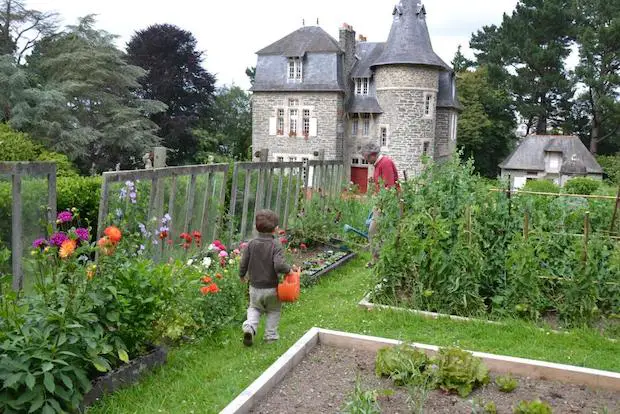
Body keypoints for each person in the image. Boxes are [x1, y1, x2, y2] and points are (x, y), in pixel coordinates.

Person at [239, 209, 296, 346]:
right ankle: (270, 337)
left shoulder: (251, 244)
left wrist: (242, 275)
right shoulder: (275, 244)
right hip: (272, 288)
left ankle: (250, 328)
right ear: (276, 229)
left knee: (254, 308)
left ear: (256, 227)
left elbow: (243, 262)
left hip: (254, 287)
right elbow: (279, 265)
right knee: (273, 310)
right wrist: (289, 271)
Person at [361, 142, 400, 268]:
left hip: (389, 202)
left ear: (372, 155)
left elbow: (390, 187)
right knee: (377, 232)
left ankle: (379, 261)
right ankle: (379, 260)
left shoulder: (385, 163)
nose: (366, 161)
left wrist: (381, 206)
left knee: (375, 231)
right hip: (381, 201)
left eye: (366, 158)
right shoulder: (377, 165)